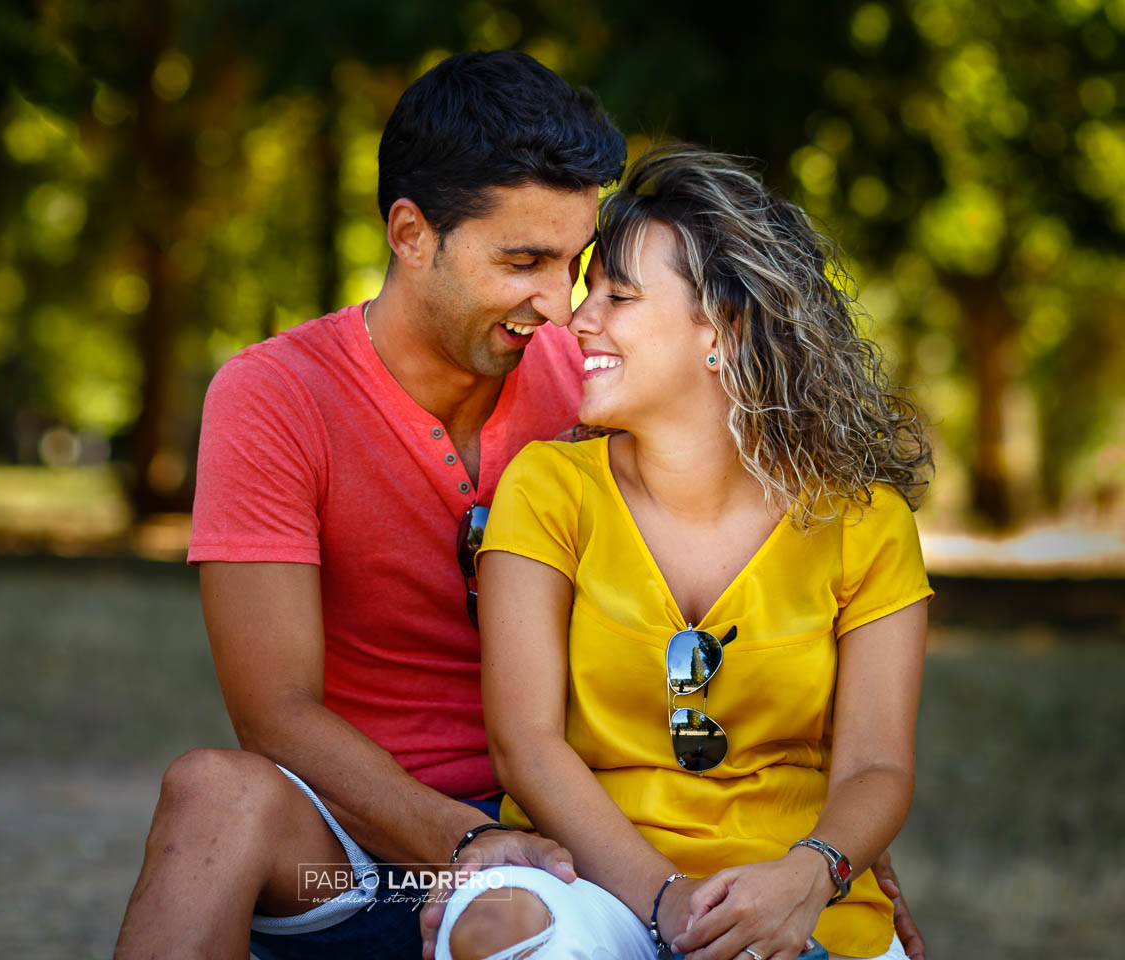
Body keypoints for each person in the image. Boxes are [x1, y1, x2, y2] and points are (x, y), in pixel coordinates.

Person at [114, 51, 927, 960]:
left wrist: (836, 863)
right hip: (378, 851)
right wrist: (465, 844)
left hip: (586, 835)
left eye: (578, 265)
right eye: (524, 260)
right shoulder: (274, 395)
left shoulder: (591, 378)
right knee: (212, 794)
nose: (560, 303)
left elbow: (761, 587)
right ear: (412, 234)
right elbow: (273, 714)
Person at [429, 144, 934, 960]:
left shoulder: (864, 523)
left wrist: (808, 877)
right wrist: (667, 899)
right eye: (589, 290)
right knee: (501, 933)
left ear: (725, 329)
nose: (575, 317)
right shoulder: (549, 488)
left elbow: (877, 766)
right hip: (592, 883)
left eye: (617, 296)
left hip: (789, 892)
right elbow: (525, 744)